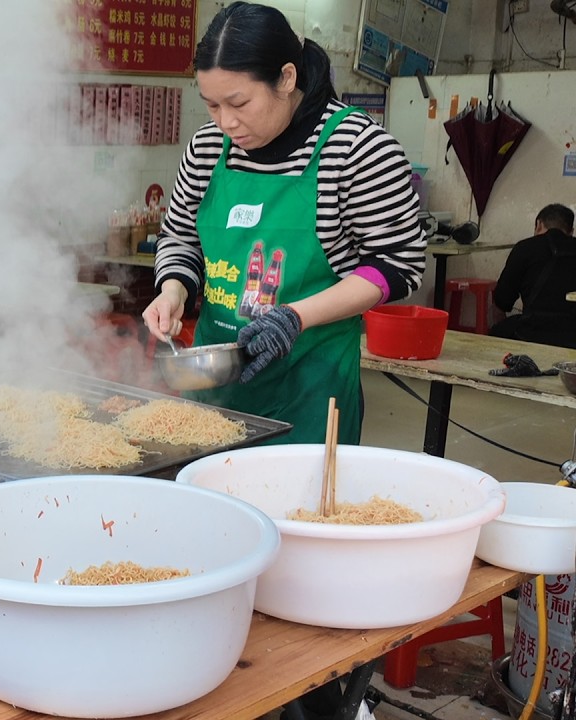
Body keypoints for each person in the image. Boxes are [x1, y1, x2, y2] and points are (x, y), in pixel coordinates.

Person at [141, 2, 425, 447]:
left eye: (239, 102)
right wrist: (173, 290)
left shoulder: (356, 149)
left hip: (309, 387)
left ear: (287, 78)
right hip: (216, 384)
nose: (226, 122)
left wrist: (295, 317)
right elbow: (181, 236)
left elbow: (396, 265)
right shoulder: (207, 148)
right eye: (212, 105)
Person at [489, 203, 576, 349]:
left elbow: (501, 301)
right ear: (571, 231)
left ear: (539, 224)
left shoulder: (525, 248)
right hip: (572, 335)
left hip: (531, 332)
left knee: (498, 332)